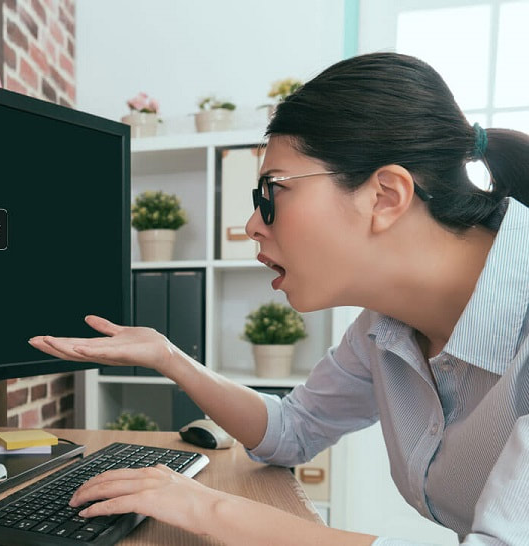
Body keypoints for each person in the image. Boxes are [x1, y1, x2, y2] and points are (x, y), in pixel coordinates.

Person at [29, 52, 529, 545]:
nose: (251, 226)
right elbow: (293, 430)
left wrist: (211, 508)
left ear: (385, 197)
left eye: (272, 191)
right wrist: (167, 355)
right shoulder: (386, 330)